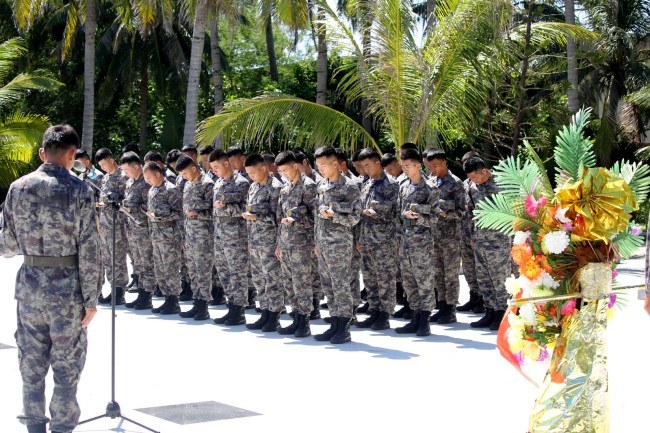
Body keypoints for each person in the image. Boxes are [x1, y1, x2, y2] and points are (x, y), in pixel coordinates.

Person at [0, 124, 101, 433]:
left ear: (43, 153)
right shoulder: (82, 191)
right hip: (68, 291)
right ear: (73, 154)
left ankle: (33, 426)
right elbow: (90, 251)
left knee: (31, 364)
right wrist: (91, 299)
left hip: (29, 289)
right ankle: (61, 427)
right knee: (67, 365)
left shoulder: (18, 188)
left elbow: (7, 246)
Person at [313, 146, 362, 344]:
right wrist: (317, 241)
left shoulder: (349, 186)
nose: (321, 169)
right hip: (324, 243)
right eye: (318, 166)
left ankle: (344, 326)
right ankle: (334, 322)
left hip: (340, 243)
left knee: (341, 284)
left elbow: (355, 217)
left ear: (335, 163)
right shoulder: (323, 185)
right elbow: (318, 215)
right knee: (328, 285)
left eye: (324, 165)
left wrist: (336, 215)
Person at [395, 148, 439, 337]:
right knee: (409, 281)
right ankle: (414, 316)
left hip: (422, 243)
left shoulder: (430, 188)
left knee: (424, 281)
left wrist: (418, 216)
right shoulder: (403, 186)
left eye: (408, 166)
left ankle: (425, 320)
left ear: (417, 166)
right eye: (403, 166)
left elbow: (436, 217)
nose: (405, 169)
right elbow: (398, 215)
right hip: (405, 242)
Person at [463, 156, 511, 330]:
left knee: (499, 279)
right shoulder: (474, 188)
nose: (473, 181)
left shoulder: (502, 186)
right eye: (470, 179)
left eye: (475, 177)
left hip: (498, 242)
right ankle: (489, 311)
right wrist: (470, 236)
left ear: (484, 170)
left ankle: (502, 313)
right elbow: (470, 213)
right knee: (484, 278)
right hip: (480, 240)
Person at [274, 151, 318, 337]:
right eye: (280, 171)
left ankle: (305, 321)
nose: (284, 174)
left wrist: (297, 218)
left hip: (302, 243)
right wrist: (278, 243)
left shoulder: (309, 186)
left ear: (295, 166)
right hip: (286, 243)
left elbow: (315, 217)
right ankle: (296, 317)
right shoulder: (285, 188)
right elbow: (279, 217)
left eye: (286, 170)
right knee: (289, 282)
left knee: (302, 283)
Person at [355, 148, 399, 331]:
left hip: (384, 241)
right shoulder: (367, 183)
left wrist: (377, 209)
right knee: (370, 279)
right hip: (366, 239)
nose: (365, 169)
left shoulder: (391, 183)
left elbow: (396, 209)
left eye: (368, 165)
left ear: (378, 163)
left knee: (385, 279)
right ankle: (374, 311)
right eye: (363, 166)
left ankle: (384, 314)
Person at [242, 153, 284, 331]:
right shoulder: (253, 187)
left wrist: (257, 216)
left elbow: (278, 217)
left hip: (270, 241)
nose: (251, 176)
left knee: (272, 279)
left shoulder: (275, 188)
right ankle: (265, 311)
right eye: (248, 173)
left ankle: (274, 316)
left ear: (264, 168)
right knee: (259, 279)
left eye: (253, 172)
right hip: (256, 241)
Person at [209, 149, 251, 326]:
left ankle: (239, 310)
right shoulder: (218, 183)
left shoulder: (241, 183)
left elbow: (245, 209)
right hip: (220, 233)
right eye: (212, 168)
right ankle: (231, 305)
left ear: (227, 164)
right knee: (223, 272)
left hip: (235, 234)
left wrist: (225, 205)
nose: (214, 171)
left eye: (216, 167)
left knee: (237, 273)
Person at [426, 149, 466, 325]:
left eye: (435, 165)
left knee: (450, 275)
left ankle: (450, 309)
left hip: (450, 237)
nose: (432, 169)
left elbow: (462, 212)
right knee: (437, 273)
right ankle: (441, 306)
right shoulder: (431, 182)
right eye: (430, 166)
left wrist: (444, 214)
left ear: (444, 163)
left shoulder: (455, 183)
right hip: (433, 235)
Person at [175, 155, 215, 321]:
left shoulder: (207, 184)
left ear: (193, 168)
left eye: (185, 173)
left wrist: (199, 211)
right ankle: (196, 301)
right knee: (193, 271)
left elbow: (215, 211)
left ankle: (203, 305)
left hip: (204, 235)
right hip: (190, 234)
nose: (184, 177)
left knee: (203, 271)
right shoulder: (188, 185)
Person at [143, 161, 184, 315]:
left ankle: (174, 301)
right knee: (160, 269)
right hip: (156, 235)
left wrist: (161, 215)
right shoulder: (152, 190)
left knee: (170, 268)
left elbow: (179, 213)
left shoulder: (171, 190)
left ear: (158, 174)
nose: (147, 180)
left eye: (149, 177)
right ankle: (167, 298)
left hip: (169, 236)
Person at [120, 152, 156, 311]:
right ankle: (141, 292)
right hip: (132, 230)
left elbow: (151, 206)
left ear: (136, 166)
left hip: (144, 229)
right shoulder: (129, 183)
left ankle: (147, 295)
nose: (125, 173)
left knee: (147, 263)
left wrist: (133, 208)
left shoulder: (146, 183)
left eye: (127, 170)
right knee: (138, 264)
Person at [95, 147, 129, 305]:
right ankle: (113, 288)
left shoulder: (123, 176)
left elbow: (127, 199)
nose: (102, 168)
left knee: (118, 258)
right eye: (100, 165)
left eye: (103, 164)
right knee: (108, 259)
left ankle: (120, 291)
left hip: (118, 225)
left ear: (111, 159)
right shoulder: (106, 178)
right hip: (105, 225)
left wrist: (110, 200)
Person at [456, 151, 484, 314]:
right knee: (468, 268)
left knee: (480, 269)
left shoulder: (479, 184)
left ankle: (482, 299)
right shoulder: (465, 184)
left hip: (477, 233)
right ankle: (473, 296)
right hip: (464, 232)